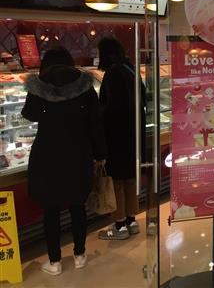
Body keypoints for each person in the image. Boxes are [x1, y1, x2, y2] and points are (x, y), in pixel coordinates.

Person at [22, 47, 106, 275]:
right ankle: (79, 255)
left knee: (51, 210)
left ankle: (55, 262)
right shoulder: (85, 86)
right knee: (78, 206)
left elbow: (29, 114)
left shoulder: (39, 85)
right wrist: (100, 154)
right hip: (78, 154)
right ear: (69, 62)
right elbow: (95, 124)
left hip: (47, 156)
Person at [97, 37, 145, 240]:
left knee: (116, 181)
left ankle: (119, 226)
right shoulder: (130, 69)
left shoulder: (113, 73)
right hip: (134, 134)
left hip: (116, 136)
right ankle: (131, 221)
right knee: (130, 179)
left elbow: (110, 108)